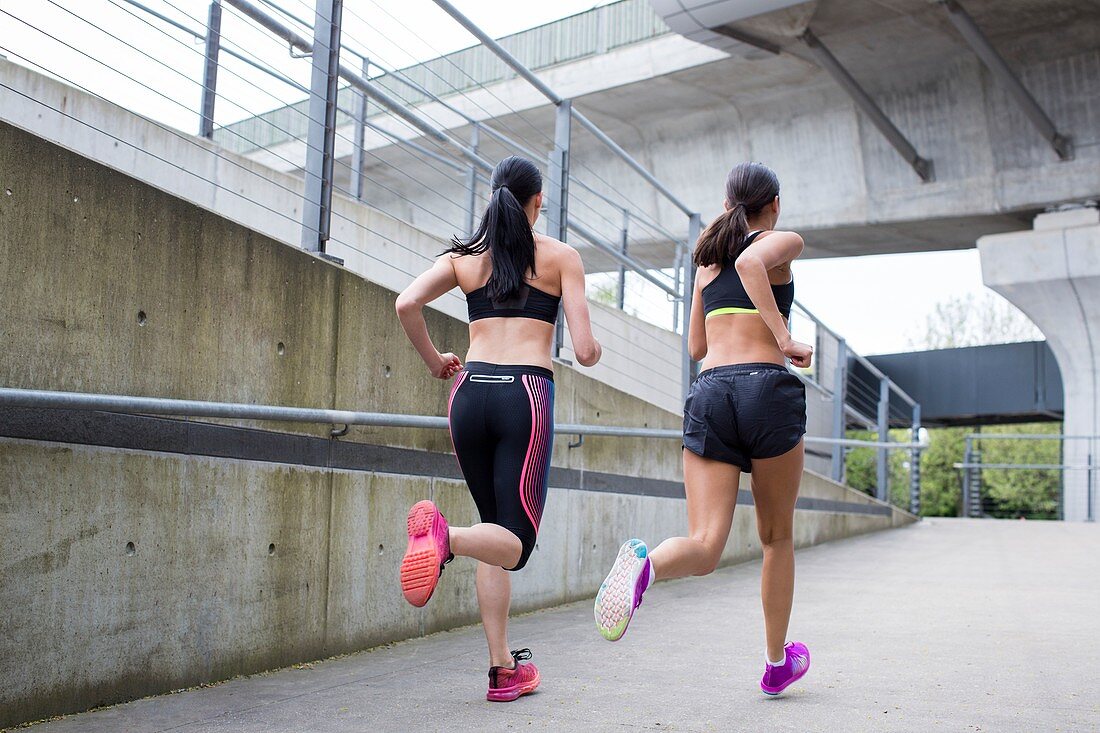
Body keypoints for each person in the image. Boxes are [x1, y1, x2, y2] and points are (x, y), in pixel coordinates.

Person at [592, 162, 814, 696]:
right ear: (774, 204)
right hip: (765, 388)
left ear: (726, 202)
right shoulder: (781, 242)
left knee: (705, 544)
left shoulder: (707, 266)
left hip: (712, 388)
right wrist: (781, 336)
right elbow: (752, 261)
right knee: (776, 537)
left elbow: (696, 348)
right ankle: (776, 661)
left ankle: (645, 566)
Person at [395, 155, 601, 702]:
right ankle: (446, 538)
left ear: (493, 198)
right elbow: (584, 351)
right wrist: (593, 346)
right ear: (536, 203)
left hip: (468, 393)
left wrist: (435, 360)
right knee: (517, 542)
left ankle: (503, 669)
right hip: (524, 395)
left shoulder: (464, 259)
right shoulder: (561, 258)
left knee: (497, 528)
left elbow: (406, 302)